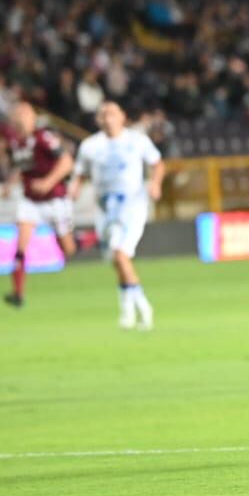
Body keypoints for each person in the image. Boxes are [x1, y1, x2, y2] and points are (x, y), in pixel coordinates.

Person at [69, 102, 165, 329]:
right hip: (105, 209)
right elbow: (80, 173)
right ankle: (129, 310)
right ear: (98, 120)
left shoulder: (137, 140)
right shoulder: (90, 146)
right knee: (116, 259)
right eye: (103, 115)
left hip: (132, 206)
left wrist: (155, 183)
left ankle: (141, 308)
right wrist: (74, 187)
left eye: (112, 114)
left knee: (121, 255)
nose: (108, 119)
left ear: (122, 117)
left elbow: (157, 163)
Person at [2, 101, 75, 308]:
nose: (20, 119)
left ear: (32, 118)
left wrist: (48, 182)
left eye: (24, 115)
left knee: (68, 249)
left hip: (55, 198)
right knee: (20, 245)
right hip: (30, 200)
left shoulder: (44, 137)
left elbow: (67, 161)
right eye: (17, 116)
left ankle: (89, 238)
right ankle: (18, 293)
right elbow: (21, 167)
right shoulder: (14, 143)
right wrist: (9, 184)